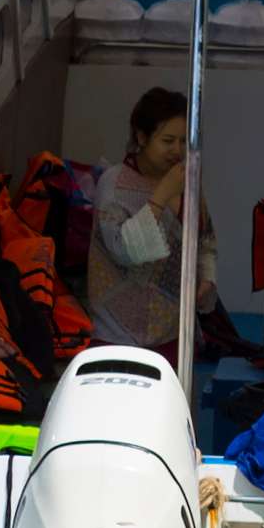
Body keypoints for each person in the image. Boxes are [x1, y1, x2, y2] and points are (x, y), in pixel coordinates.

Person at [83, 88, 222, 355]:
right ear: (142, 137)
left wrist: (207, 278)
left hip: (173, 331)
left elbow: (204, 238)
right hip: (116, 333)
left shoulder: (188, 182)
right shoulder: (114, 182)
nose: (177, 150)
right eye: (167, 140)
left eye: (183, 142)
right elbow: (124, 251)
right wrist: (162, 194)